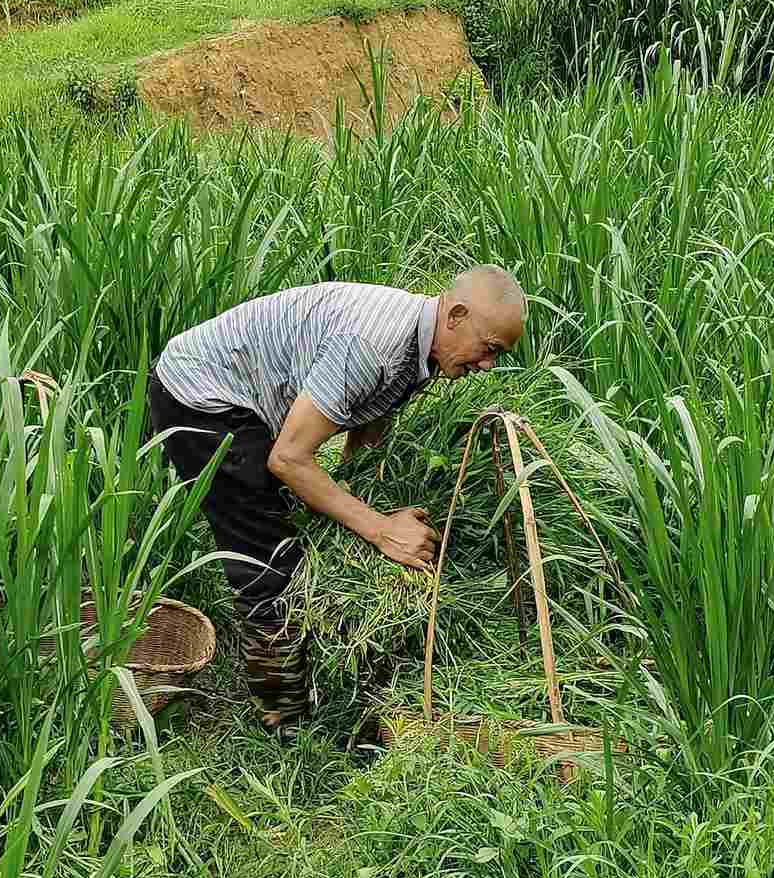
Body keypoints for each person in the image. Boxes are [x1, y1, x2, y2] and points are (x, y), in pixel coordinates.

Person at [148, 264, 527, 739]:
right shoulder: (373, 344)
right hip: (201, 397)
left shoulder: (425, 345)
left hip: (251, 395)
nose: (488, 365)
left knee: (300, 516)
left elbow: (369, 414)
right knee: (269, 558)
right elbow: (287, 459)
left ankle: (299, 694)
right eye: (489, 349)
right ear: (455, 315)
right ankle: (283, 722)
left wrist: (359, 498)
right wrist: (381, 530)